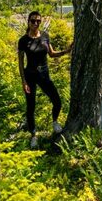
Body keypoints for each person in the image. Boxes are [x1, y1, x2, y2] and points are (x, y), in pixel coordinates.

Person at [18, 11, 72, 149]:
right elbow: (20, 63)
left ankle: (54, 122)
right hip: (30, 75)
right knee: (31, 106)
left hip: (44, 75)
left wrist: (66, 51)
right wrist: (24, 82)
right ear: (28, 22)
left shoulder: (45, 36)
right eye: (33, 21)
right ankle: (34, 135)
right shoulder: (23, 41)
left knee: (57, 101)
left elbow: (52, 54)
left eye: (38, 21)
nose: (35, 23)